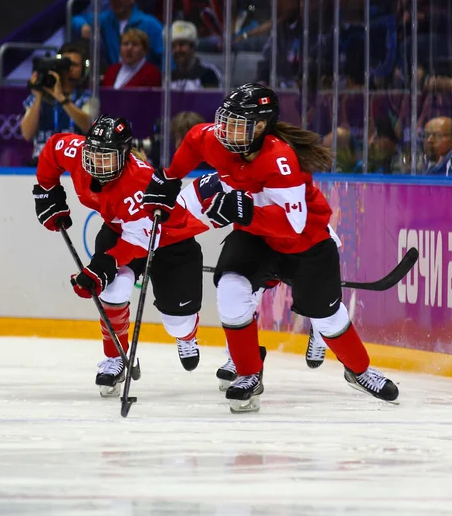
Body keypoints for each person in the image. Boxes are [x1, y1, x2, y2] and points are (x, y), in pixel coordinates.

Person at [142, 83, 399, 413]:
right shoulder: (215, 140)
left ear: (261, 127)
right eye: (225, 121)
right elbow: (193, 140)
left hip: (304, 241)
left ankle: (360, 370)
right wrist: (168, 177)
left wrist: (243, 209)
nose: (224, 131)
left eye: (236, 124)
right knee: (231, 290)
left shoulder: (280, 160)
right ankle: (249, 373)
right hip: (255, 237)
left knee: (328, 316)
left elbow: (291, 226)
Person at [32, 115, 207, 397]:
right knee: (112, 289)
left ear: (124, 155)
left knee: (177, 322)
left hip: (167, 239)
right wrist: (46, 190)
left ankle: (187, 335)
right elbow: (53, 149)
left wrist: (103, 265)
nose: (96, 163)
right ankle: (115, 358)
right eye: (94, 154)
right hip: (121, 230)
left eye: (107, 157)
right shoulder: (77, 154)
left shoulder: (139, 182)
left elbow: (138, 241)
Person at [21, 43, 93, 165]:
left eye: (74, 65)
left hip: (75, 163)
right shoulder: (35, 98)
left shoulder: (86, 98)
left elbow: (89, 127)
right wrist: (38, 96)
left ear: (83, 69)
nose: (69, 69)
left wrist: (61, 98)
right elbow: (27, 134)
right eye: (64, 64)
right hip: (41, 161)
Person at [72, 0, 163, 69]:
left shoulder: (150, 24)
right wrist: (82, 26)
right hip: (117, 79)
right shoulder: (106, 19)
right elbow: (75, 18)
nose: (115, 0)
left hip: (144, 81)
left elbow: (166, 55)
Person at [169, 21, 222, 91]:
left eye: (181, 44)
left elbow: (213, 100)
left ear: (192, 46)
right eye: (173, 46)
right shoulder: (170, 76)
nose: (177, 50)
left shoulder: (208, 73)